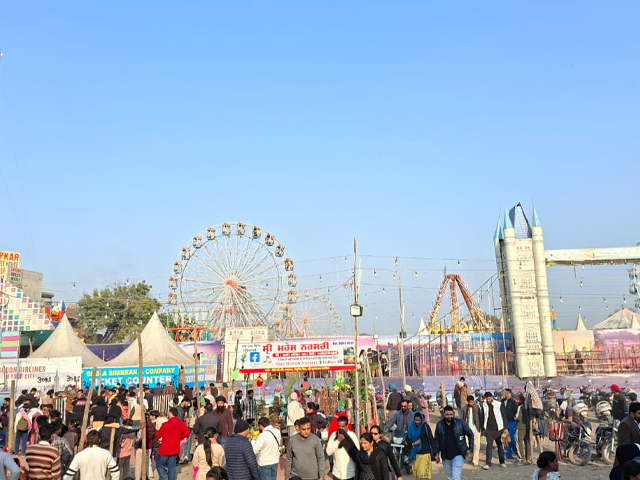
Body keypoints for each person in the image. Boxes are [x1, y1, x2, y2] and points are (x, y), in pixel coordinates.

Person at [433, 406, 474, 480]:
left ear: (453, 414)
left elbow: (470, 434)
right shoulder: (439, 425)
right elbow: (436, 440)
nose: (449, 416)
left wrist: (470, 449)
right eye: (447, 415)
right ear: (444, 414)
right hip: (445, 455)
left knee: (456, 477)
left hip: (458, 454)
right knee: (449, 476)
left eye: (451, 414)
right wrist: (436, 454)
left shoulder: (460, 423)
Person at [155, 407, 191, 480]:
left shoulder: (166, 424)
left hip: (165, 449)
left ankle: (164, 478)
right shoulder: (181, 423)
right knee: (172, 467)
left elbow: (158, 435)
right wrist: (180, 437)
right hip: (175, 448)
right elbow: (187, 432)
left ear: (171, 413)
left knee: (159, 465)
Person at [480, 392, 507, 470]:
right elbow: (482, 417)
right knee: (489, 446)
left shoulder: (499, 404)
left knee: (499, 445)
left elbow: (503, 416)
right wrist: (482, 428)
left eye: (489, 399)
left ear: (492, 397)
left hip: (498, 428)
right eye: (487, 399)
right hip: (488, 428)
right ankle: (488, 463)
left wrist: (506, 428)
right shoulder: (484, 405)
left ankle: (502, 461)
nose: (488, 400)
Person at [408, 412, 436, 480]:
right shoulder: (411, 428)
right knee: (417, 476)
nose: (417, 422)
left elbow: (431, 440)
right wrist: (414, 444)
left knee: (423, 475)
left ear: (422, 420)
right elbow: (407, 440)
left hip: (425, 454)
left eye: (419, 420)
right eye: (415, 420)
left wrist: (436, 453)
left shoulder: (425, 427)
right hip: (416, 455)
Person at [461, 395, 482, 467]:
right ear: (468, 402)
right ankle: (470, 456)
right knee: (468, 444)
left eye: (473, 402)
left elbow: (480, 418)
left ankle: (475, 461)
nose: (472, 403)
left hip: (476, 429)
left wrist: (481, 428)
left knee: (477, 445)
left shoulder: (477, 408)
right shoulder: (464, 408)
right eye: (470, 402)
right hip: (467, 429)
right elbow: (462, 419)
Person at [516, 395, 533, 466]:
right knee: (527, 442)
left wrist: (515, 417)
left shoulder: (520, 407)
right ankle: (528, 458)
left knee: (519, 442)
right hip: (528, 427)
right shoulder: (529, 407)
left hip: (520, 426)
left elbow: (518, 417)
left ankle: (522, 459)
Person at [502, 390, 518, 460]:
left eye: (508, 393)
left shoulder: (513, 402)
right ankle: (508, 454)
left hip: (512, 422)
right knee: (505, 438)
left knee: (512, 437)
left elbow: (516, 411)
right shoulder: (502, 402)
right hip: (503, 423)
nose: (507, 394)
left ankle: (516, 450)